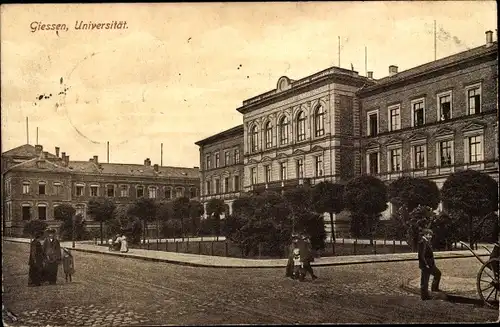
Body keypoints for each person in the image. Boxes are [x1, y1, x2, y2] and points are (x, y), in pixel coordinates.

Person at [418, 228, 441, 300]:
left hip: (430, 264)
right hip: (426, 265)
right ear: (425, 234)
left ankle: (433, 289)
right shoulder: (422, 242)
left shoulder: (426, 241)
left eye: (431, 235)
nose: (430, 236)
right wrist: (425, 265)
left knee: (437, 274)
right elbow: (421, 255)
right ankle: (425, 296)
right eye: (429, 235)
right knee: (425, 281)